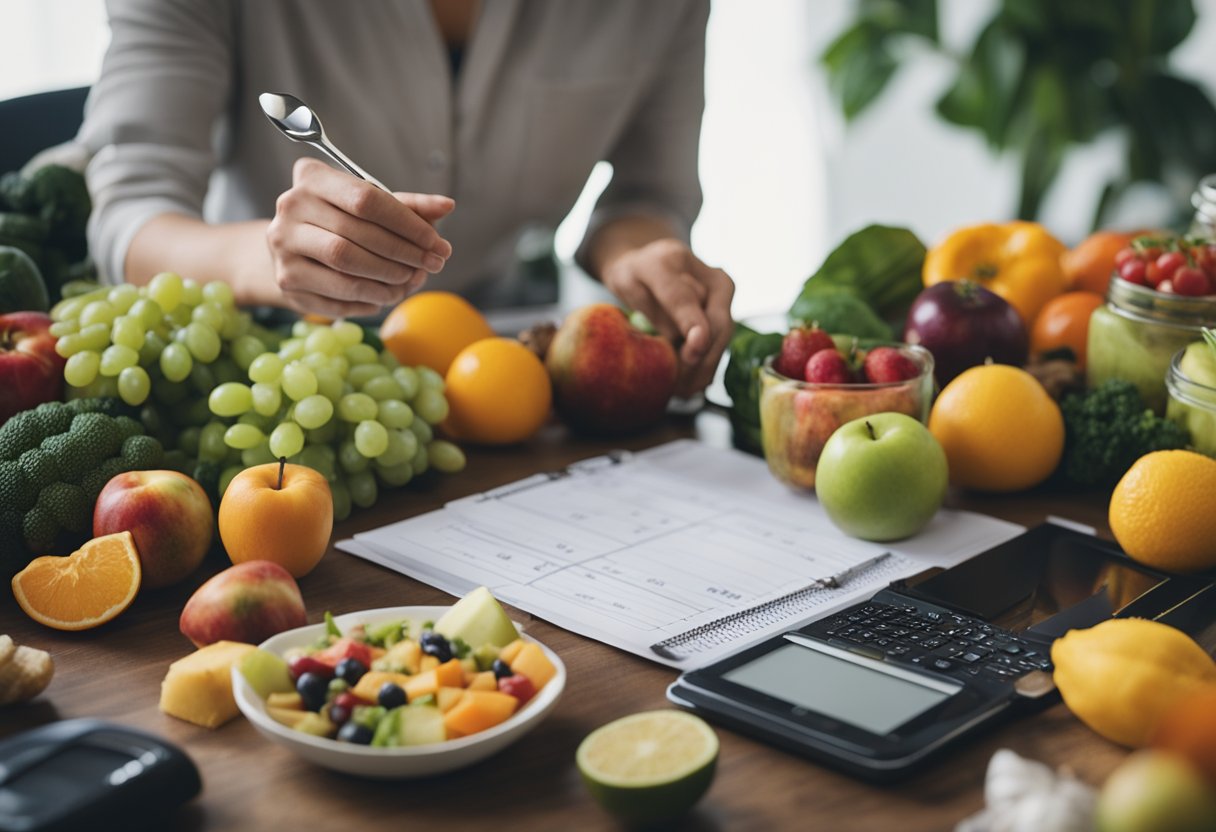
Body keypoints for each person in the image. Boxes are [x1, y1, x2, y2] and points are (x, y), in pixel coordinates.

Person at [78, 0, 734, 395]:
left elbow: (648, 194)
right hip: (268, 372)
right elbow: (129, 216)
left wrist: (639, 256)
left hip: (509, 377)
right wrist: (269, 259)